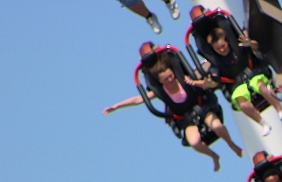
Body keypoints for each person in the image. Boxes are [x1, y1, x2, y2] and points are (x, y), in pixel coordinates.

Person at [103, 49, 244, 171]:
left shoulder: (185, 78)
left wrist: (206, 82)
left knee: (217, 126)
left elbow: (204, 79)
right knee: (194, 142)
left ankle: (233, 145)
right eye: (166, 79)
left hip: (202, 107)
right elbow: (138, 99)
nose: (170, 80)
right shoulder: (161, 91)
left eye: (171, 76)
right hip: (186, 118)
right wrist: (116, 106)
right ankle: (214, 156)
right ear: (160, 82)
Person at [191, 8, 282, 135]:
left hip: (253, 73)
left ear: (227, 41)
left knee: (263, 88)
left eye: (223, 46)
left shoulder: (239, 45)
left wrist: (249, 43)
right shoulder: (216, 64)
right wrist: (206, 83)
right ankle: (263, 124)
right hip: (237, 84)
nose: (221, 50)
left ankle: (280, 110)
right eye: (218, 49)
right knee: (242, 104)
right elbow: (214, 81)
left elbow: (256, 46)